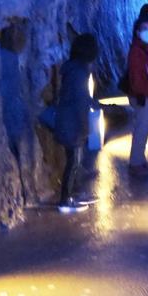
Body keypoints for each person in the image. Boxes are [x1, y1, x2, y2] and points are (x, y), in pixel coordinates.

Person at [51, 33, 98, 214]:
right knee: (73, 162)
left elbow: (82, 97)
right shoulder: (79, 72)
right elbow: (80, 101)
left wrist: (97, 104)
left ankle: (71, 195)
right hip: (72, 122)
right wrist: (85, 128)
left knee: (74, 161)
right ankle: (65, 201)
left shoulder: (74, 69)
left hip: (67, 119)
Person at [127, 18, 148, 177]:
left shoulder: (146, 47)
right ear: (137, 32)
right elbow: (136, 77)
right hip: (142, 95)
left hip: (147, 93)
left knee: (145, 129)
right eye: (144, 28)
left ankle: (140, 159)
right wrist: (144, 93)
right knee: (141, 129)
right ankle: (135, 164)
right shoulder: (136, 51)